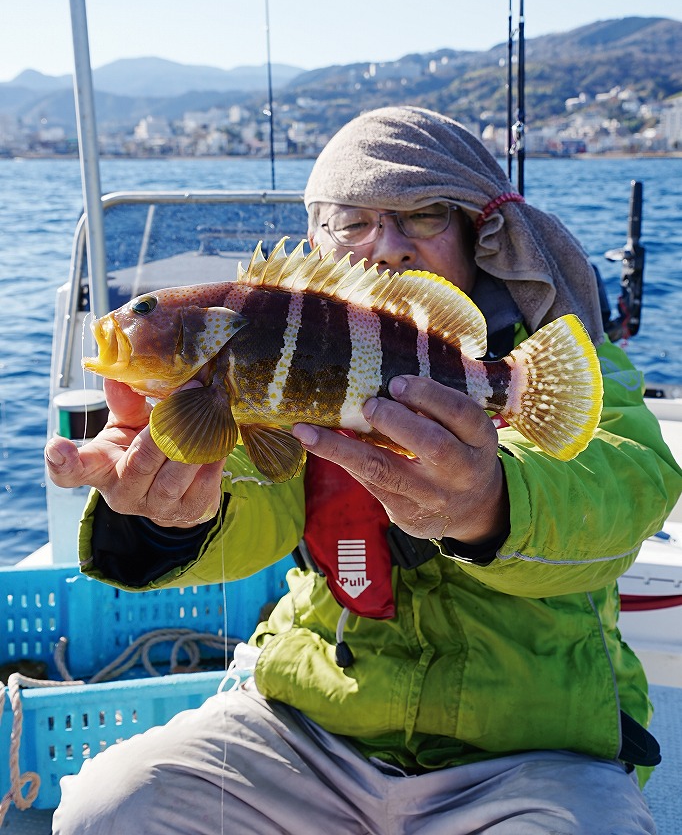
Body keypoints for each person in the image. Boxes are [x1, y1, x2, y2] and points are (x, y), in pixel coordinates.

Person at [46, 106, 681, 835]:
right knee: (106, 809)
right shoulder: (243, 383)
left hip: (535, 755)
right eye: (352, 222)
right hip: (311, 729)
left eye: (422, 214)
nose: (385, 245)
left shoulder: (559, 364)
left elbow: (626, 482)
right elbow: (250, 497)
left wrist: (491, 502)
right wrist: (166, 513)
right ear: (319, 238)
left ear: (479, 233)